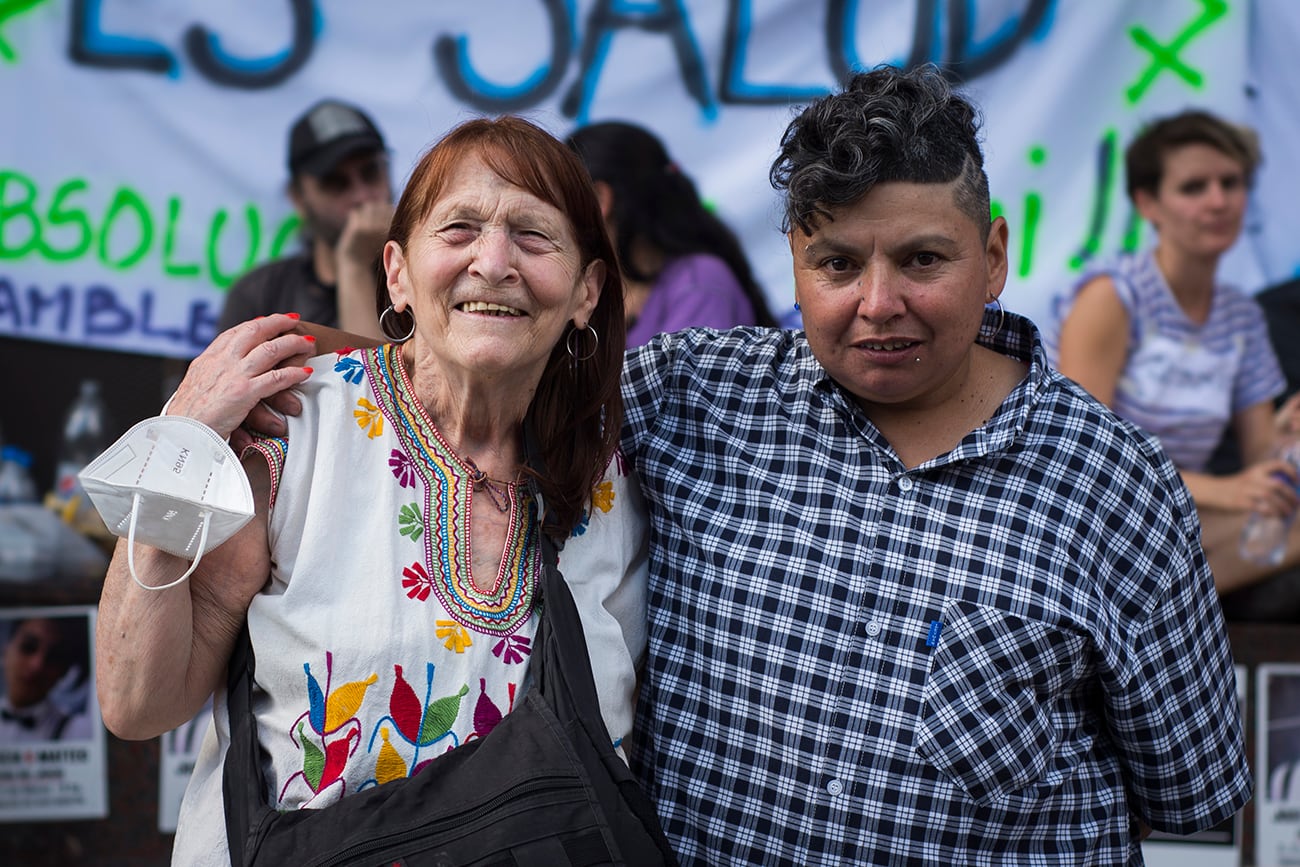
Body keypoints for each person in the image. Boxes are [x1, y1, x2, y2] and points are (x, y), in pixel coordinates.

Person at [211, 66, 1251, 864]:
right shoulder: (694, 396)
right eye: (837, 263)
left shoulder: (1110, 483)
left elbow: (1191, 789)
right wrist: (220, 404)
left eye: (923, 260)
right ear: (792, 258)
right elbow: (473, 355)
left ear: (995, 253)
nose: (876, 302)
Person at [95, 116, 647, 866]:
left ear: (586, 290)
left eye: (533, 235)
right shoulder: (293, 430)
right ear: (397, 273)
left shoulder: (611, 471)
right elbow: (137, 703)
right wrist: (182, 440)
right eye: (458, 230)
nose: (493, 261)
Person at [1050, 109, 1300, 617]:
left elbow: (1258, 470)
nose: (1218, 201)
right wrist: (1225, 491)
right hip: (1091, 522)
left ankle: (1162, 618)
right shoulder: (1112, 296)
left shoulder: (1242, 316)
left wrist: (1286, 434)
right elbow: (1085, 460)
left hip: (1182, 522)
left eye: (1230, 183)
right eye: (1193, 187)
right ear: (1147, 203)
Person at [565, 121, 776, 346]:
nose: (556, 218)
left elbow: (686, 380)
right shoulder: (597, 292)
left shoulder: (699, 284)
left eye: (560, 200)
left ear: (600, 199)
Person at [215, 98, 396, 340]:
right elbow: (362, 374)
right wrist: (355, 263)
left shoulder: (419, 280)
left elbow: (381, 378)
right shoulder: (260, 295)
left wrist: (356, 263)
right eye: (335, 183)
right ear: (298, 197)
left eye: (371, 173)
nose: (361, 196)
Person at [1, 615, 93, 743]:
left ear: (63, 672)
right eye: (28, 646)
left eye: (53, 657)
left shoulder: (78, 732)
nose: (37, 665)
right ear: (5, 652)